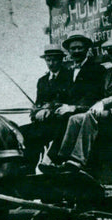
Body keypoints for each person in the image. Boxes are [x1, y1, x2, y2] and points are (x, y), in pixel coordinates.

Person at [46, 37, 112, 173]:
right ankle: (61, 158)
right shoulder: (109, 71)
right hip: (104, 109)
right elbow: (101, 93)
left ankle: (78, 160)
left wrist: (102, 104)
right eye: (110, 52)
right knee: (74, 119)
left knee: (89, 116)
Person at [38, 30, 106, 170]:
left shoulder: (97, 70)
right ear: (69, 51)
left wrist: (73, 107)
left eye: (80, 48)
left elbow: (93, 95)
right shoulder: (68, 72)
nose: (76, 51)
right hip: (68, 111)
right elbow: (61, 95)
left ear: (87, 49)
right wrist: (51, 108)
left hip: (89, 110)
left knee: (67, 118)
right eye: (73, 48)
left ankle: (54, 160)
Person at [22, 43, 72, 168]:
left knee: (37, 135)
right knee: (21, 132)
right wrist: (36, 112)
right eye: (48, 60)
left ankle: (48, 163)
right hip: (42, 122)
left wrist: (49, 109)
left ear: (61, 60)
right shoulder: (42, 81)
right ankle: (28, 168)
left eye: (54, 60)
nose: (51, 63)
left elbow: (67, 99)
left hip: (59, 121)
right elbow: (38, 102)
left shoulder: (69, 76)